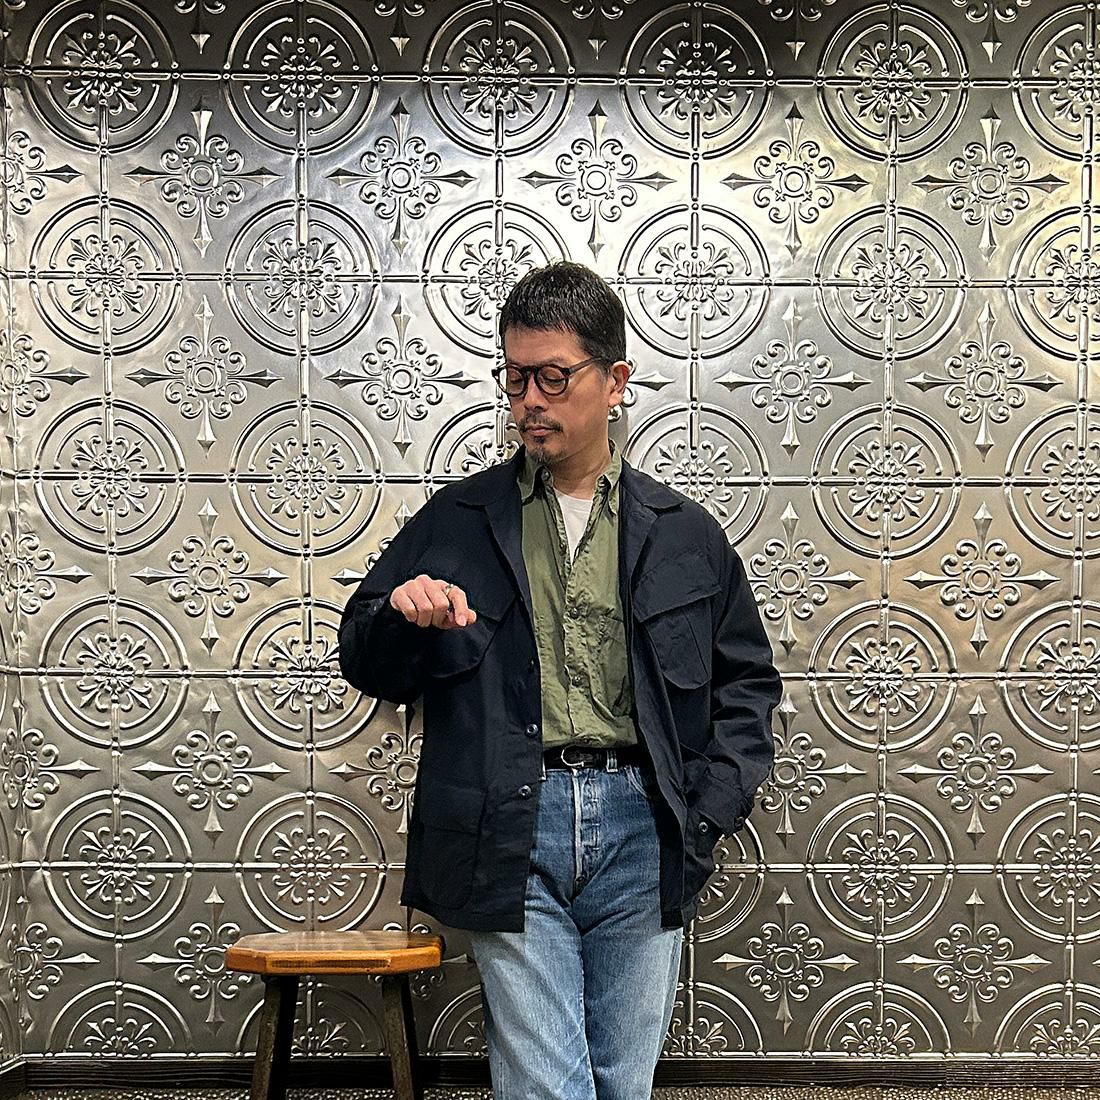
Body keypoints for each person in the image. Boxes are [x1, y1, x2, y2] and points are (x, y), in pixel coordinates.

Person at [338, 261, 781, 1100]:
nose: (528, 402)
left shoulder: (686, 533)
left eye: (552, 377)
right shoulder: (457, 521)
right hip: (510, 820)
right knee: (547, 1085)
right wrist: (398, 612)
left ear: (614, 381)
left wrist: (705, 811)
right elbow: (366, 661)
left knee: (621, 1082)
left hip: (646, 825)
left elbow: (747, 687)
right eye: (514, 378)